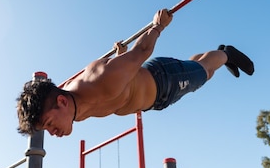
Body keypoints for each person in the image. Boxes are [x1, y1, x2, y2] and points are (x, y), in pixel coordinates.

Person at [17, 8, 254, 137]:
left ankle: (226, 54)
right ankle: (213, 57)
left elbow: (141, 51)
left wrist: (158, 25)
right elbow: (119, 80)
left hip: (164, 81)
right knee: (197, 71)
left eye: (49, 123)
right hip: (154, 100)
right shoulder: (70, 111)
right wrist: (121, 57)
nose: (52, 132)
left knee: (205, 72)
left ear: (61, 101)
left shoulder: (100, 80)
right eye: (46, 129)